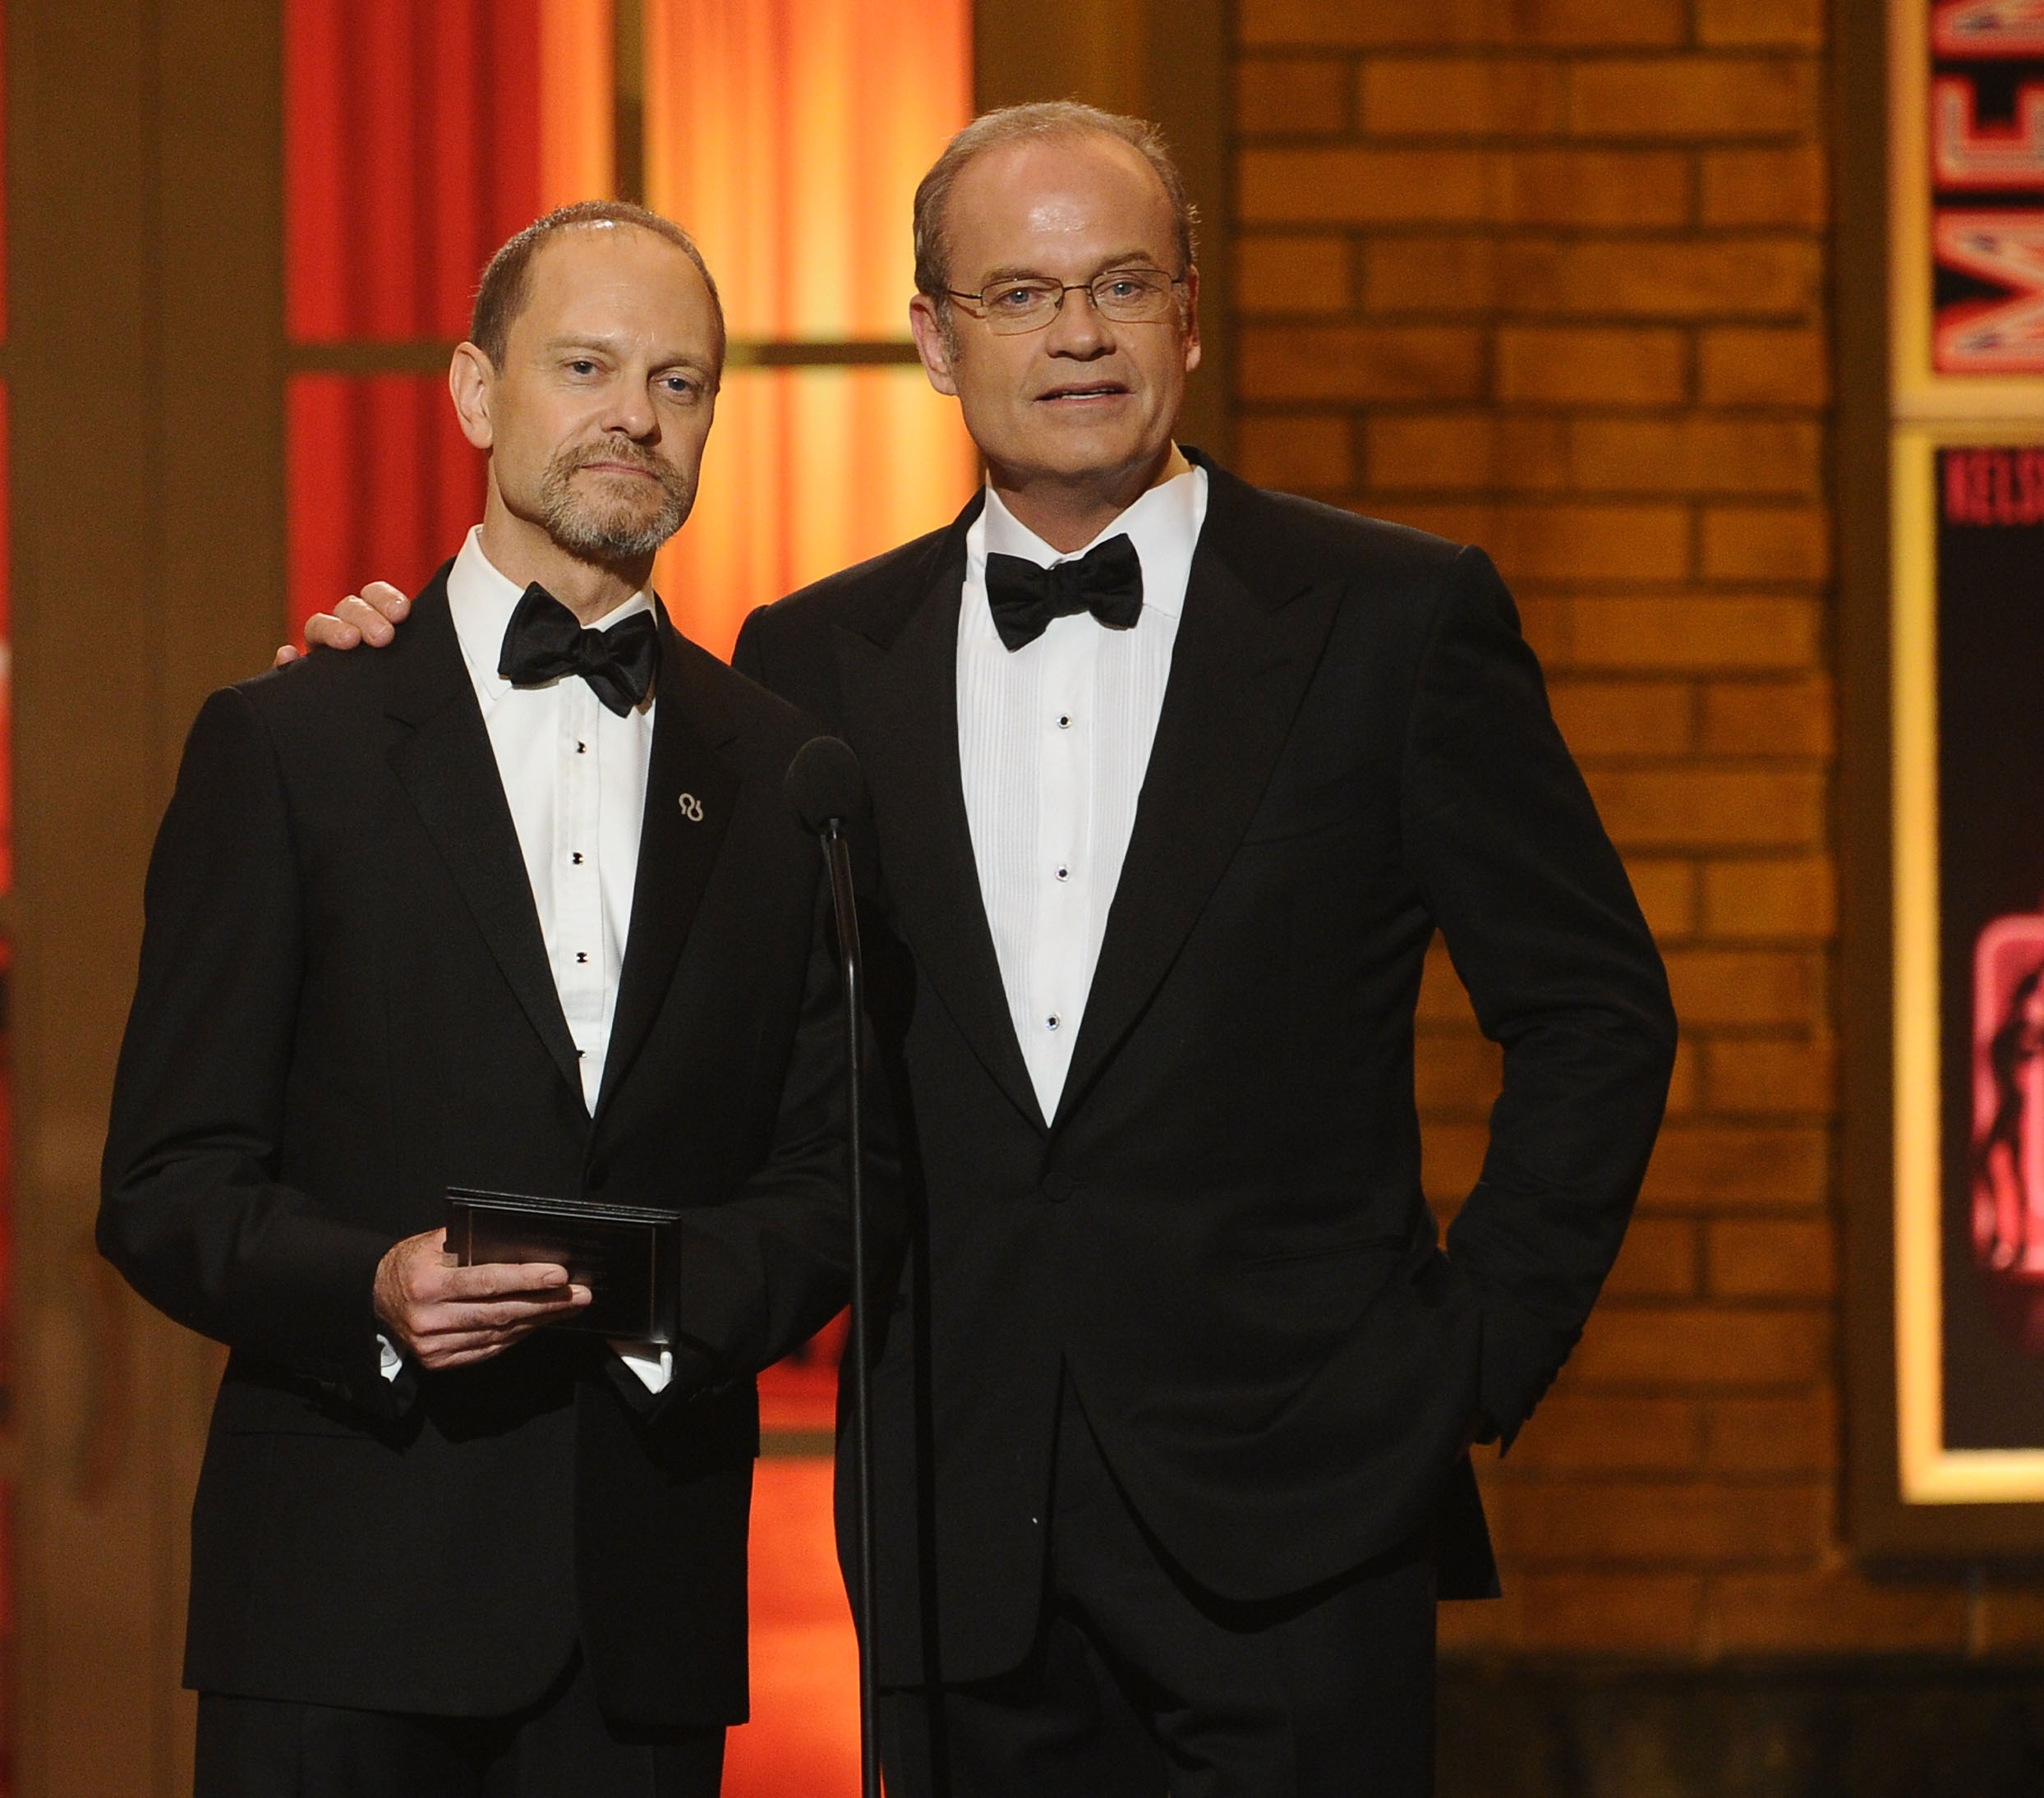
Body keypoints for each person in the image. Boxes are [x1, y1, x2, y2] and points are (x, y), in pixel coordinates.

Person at [296, 105, 1678, 1798]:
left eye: (1118, 282)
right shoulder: (811, 660)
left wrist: (1469, 1356)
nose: (1079, 333)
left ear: (1190, 310)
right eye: (1019, 296)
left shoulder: (1396, 621)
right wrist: (403, 683)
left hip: (1306, 1520)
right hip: (952, 1530)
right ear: (935, 344)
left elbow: (1597, 1011)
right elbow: (674, 1035)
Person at [103, 201, 887, 1798]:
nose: (633, 416)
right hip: (337, 1605)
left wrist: (671, 1297)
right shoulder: (290, 743)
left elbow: (837, 1178)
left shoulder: (786, 772)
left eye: (679, 382)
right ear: (474, 393)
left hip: (641, 1614)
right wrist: (369, 1287)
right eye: (585, 365)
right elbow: (165, 1184)